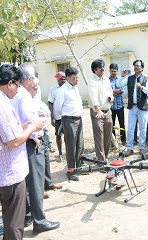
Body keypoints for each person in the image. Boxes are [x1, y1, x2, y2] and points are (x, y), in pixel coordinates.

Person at [11, 63, 60, 234]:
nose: (35, 82)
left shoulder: (17, 94)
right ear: (28, 80)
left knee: (26, 182)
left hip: (22, 142)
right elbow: (29, 121)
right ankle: (39, 220)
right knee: (36, 183)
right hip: (32, 142)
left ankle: (28, 215)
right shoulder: (23, 96)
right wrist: (35, 137)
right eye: (33, 79)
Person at [0, 64, 44, 240]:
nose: (18, 90)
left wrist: (22, 128)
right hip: (10, 175)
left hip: (6, 173)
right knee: (14, 225)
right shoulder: (3, 105)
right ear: (10, 83)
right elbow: (14, 142)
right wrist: (32, 126)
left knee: (10, 219)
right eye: (17, 85)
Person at [54, 67, 84, 181]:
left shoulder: (75, 87)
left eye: (77, 77)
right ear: (67, 78)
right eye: (74, 78)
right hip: (69, 120)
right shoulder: (63, 90)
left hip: (78, 119)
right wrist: (66, 117)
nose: (77, 80)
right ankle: (71, 171)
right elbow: (57, 108)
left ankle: (78, 167)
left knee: (79, 145)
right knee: (71, 146)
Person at [119, 60, 148, 156]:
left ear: (142, 68)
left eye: (138, 66)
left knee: (143, 128)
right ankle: (129, 148)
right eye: (135, 66)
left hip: (142, 107)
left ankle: (141, 147)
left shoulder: (146, 79)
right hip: (132, 107)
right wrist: (122, 76)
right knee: (130, 128)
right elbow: (119, 84)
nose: (136, 67)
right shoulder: (130, 78)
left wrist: (142, 87)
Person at [88, 59, 113, 162]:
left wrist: (111, 97)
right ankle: (101, 162)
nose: (103, 68)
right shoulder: (92, 81)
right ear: (95, 69)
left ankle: (105, 158)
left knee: (107, 137)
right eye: (100, 67)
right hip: (97, 112)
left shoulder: (106, 79)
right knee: (99, 137)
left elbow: (110, 91)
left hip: (107, 111)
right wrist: (98, 109)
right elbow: (93, 97)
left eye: (103, 66)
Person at [48, 71, 66, 162]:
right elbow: (50, 103)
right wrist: (52, 117)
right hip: (58, 116)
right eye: (61, 79)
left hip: (67, 115)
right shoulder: (53, 89)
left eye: (64, 79)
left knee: (68, 135)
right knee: (58, 135)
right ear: (58, 80)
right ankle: (60, 153)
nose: (63, 80)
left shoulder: (69, 87)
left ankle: (69, 152)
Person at [108, 63, 126, 147]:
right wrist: (116, 91)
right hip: (111, 107)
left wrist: (112, 91)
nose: (113, 73)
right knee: (112, 125)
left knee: (122, 124)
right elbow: (106, 92)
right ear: (109, 71)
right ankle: (113, 142)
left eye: (115, 71)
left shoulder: (120, 79)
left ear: (117, 71)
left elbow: (121, 90)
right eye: (112, 71)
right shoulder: (107, 80)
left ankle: (123, 141)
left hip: (120, 106)